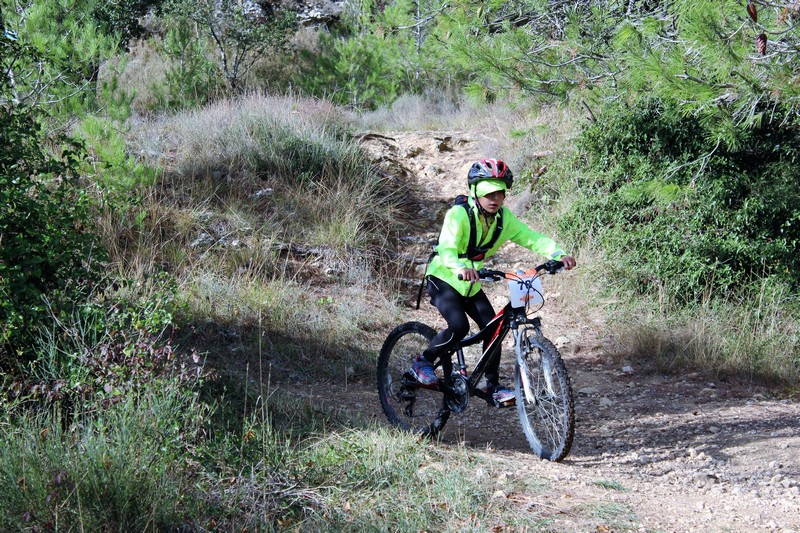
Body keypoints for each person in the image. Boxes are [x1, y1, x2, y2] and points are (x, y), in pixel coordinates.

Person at [410, 158, 576, 404]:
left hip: (471, 283)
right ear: (475, 191)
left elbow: (530, 237)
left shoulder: (503, 219)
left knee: (494, 328)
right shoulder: (459, 214)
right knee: (459, 326)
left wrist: (558, 254)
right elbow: (446, 248)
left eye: (499, 193)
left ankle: (492, 386)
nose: (494, 198)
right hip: (444, 277)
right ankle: (423, 361)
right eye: (488, 192)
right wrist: (460, 267)